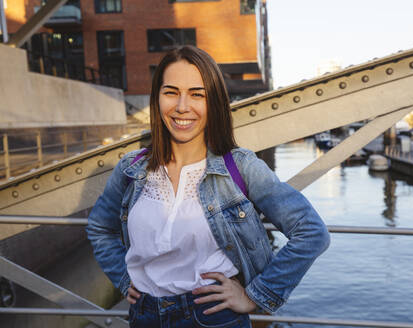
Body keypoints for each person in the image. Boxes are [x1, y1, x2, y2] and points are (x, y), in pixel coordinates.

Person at [86, 45, 330, 328]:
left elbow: (312, 233)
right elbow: (99, 228)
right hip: (145, 315)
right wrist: (124, 278)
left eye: (197, 94)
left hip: (213, 318)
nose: (182, 106)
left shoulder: (240, 167)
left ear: (212, 102)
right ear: (157, 99)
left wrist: (255, 296)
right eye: (171, 92)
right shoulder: (131, 169)